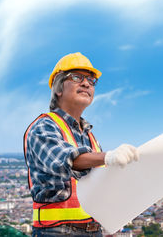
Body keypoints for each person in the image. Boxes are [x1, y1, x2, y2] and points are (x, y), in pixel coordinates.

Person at [23, 52, 139, 236]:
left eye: (91, 81)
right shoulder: (43, 127)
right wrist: (108, 156)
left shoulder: (90, 136)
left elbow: (103, 182)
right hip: (56, 231)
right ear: (58, 88)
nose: (86, 83)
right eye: (77, 77)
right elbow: (67, 159)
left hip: (94, 230)